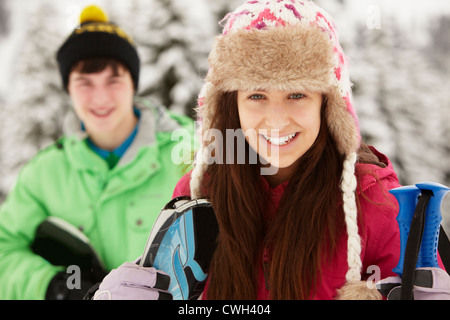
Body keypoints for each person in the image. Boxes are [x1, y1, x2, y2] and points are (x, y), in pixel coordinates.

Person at [93, 0, 447, 300]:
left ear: (327, 105)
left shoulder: (374, 199)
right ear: (232, 106)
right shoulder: (199, 195)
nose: (276, 121)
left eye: (297, 94)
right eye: (257, 96)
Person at [0, 5, 195, 300]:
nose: (100, 96)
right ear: (69, 89)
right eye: (85, 82)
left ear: (133, 83)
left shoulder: (191, 152)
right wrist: (54, 286)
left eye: (113, 80)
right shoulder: (44, 173)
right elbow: (5, 248)